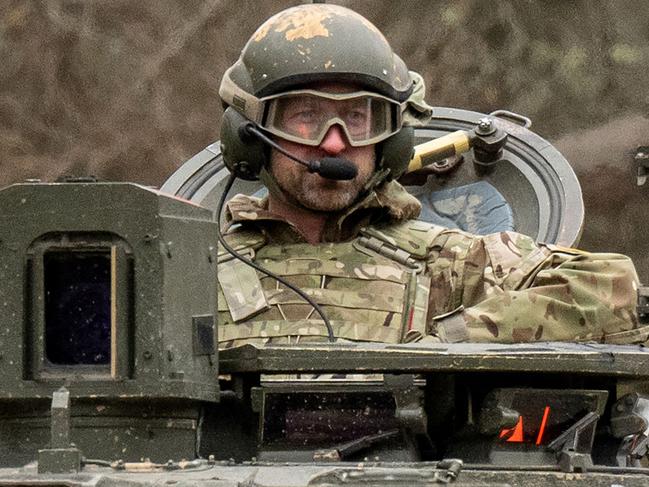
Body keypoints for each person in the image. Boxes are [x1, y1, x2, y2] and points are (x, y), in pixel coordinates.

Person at [215, 3, 645, 349]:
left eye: (358, 118)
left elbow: (614, 290)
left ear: (394, 140)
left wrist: (444, 344)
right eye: (306, 117)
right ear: (249, 135)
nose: (334, 144)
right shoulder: (193, 270)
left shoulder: (448, 264)